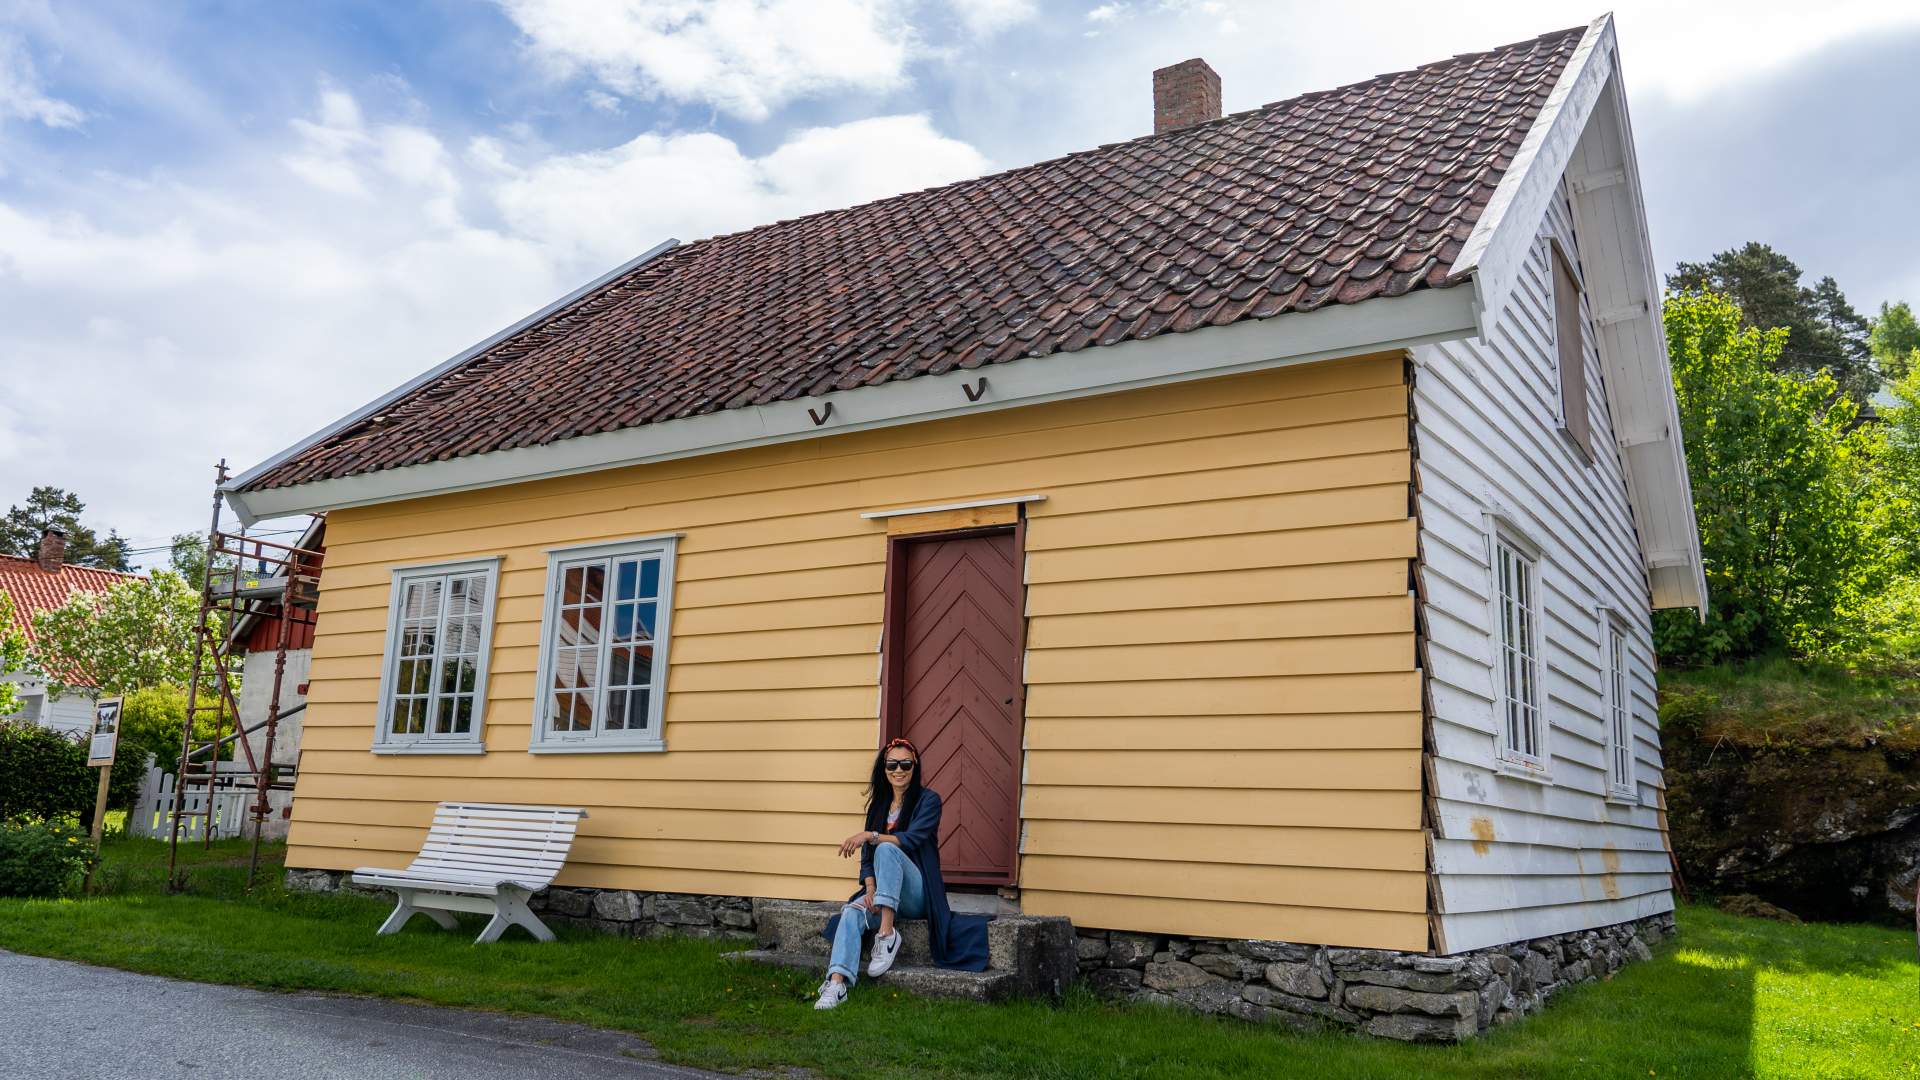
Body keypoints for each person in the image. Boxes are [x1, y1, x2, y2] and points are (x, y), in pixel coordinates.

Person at [814, 737, 989, 1009]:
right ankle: (837, 984)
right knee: (851, 912)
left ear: (914, 767)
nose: (898, 770)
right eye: (892, 764)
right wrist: (870, 889)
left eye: (905, 764)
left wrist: (870, 835)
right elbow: (867, 858)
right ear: (884, 768)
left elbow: (911, 839)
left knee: (887, 848)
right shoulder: (879, 805)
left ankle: (886, 935)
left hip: (917, 894)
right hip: (884, 891)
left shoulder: (929, 801)